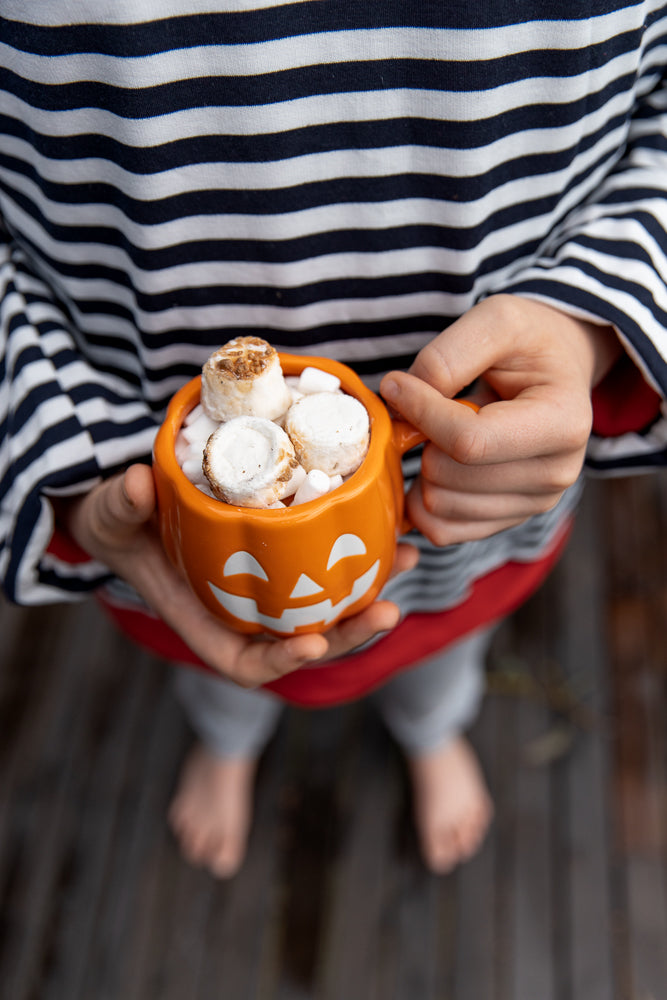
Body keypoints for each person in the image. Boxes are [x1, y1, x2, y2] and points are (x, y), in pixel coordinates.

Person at [1, 3, 666, 878]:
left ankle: (429, 727)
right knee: (218, 662)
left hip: (469, 517)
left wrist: (593, 325)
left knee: (442, 648)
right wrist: (50, 438)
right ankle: (229, 736)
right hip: (155, 529)